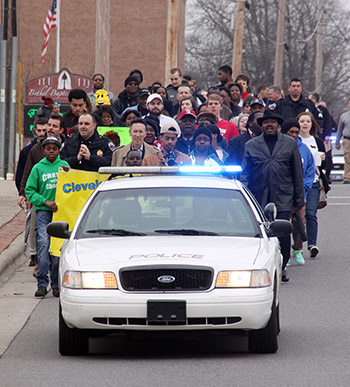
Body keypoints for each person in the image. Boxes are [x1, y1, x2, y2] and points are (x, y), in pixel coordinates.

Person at [240, 110, 304, 282]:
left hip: (283, 196)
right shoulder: (251, 145)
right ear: (261, 125)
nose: (269, 125)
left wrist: (298, 200)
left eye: (273, 122)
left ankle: (282, 266)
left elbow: (297, 172)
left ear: (278, 125)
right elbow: (245, 174)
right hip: (258, 197)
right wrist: (244, 199)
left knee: (282, 233)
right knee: (261, 233)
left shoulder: (289, 143)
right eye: (266, 122)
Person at [25, 136, 69, 298]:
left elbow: (73, 187)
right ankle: (42, 283)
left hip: (61, 213)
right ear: (43, 150)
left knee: (58, 248)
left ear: (59, 150)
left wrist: (69, 174)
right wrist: (45, 201)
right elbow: (30, 191)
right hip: (43, 212)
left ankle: (56, 284)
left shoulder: (64, 166)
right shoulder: (38, 168)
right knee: (43, 243)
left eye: (55, 148)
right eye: (48, 148)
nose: (51, 151)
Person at [281, 118, 315, 265]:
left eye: (296, 132)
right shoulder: (280, 147)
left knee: (299, 221)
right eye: (291, 132)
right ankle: (285, 252)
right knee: (283, 223)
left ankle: (298, 249)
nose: (294, 135)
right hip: (283, 192)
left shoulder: (304, 149)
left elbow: (309, 171)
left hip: (299, 192)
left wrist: (304, 188)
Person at [15, 118, 48, 267]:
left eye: (44, 130)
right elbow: (23, 174)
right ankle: (34, 254)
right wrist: (24, 194)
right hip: (35, 195)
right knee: (34, 224)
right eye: (39, 130)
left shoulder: (56, 147)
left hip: (52, 194)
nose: (42, 133)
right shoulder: (30, 151)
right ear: (35, 131)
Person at [297, 111, 329, 258]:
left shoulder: (317, 141)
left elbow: (327, 164)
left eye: (307, 121)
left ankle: (312, 244)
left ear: (312, 124)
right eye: (302, 121)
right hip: (297, 182)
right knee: (297, 215)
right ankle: (296, 245)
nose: (305, 124)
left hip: (314, 182)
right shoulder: (294, 141)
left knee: (310, 212)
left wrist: (323, 158)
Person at [336, 97, 350, 184]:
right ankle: (347, 177)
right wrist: (337, 142)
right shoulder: (344, 116)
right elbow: (339, 130)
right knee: (348, 159)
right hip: (347, 140)